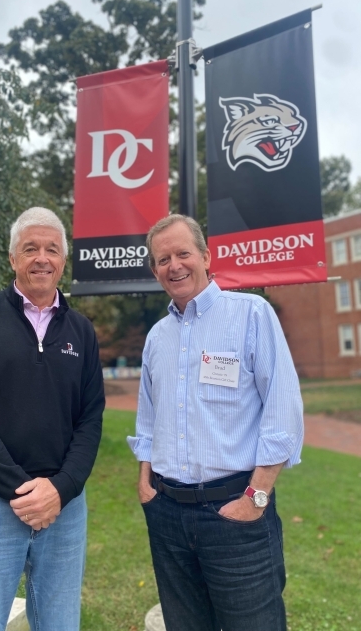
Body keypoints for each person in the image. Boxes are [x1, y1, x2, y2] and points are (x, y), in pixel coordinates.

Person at [128, 214, 303, 631]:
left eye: (183, 253)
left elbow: (283, 410)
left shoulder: (251, 314)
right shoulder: (157, 338)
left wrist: (255, 497)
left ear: (206, 256)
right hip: (167, 514)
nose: (174, 266)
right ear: (155, 271)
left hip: (235, 513)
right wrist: (145, 482)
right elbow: (148, 417)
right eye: (163, 259)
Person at [0, 206, 105, 631]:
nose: (41, 258)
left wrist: (61, 490)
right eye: (30, 248)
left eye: (51, 249)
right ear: (13, 259)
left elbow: (90, 418)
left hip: (63, 509)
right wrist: (24, 490)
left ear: (63, 261)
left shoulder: (81, 331)